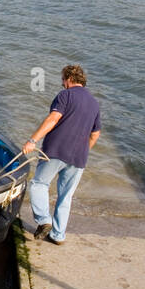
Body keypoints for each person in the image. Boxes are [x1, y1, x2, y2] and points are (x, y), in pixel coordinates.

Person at [22, 65, 101, 245]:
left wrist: (32, 141)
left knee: (38, 184)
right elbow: (95, 134)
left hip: (56, 150)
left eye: (63, 79)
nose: (62, 83)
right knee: (65, 196)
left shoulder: (65, 95)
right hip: (79, 157)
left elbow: (53, 119)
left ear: (68, 78)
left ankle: (44, 220)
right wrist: (84, 149)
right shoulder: (94, 103)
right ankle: (58, 236)